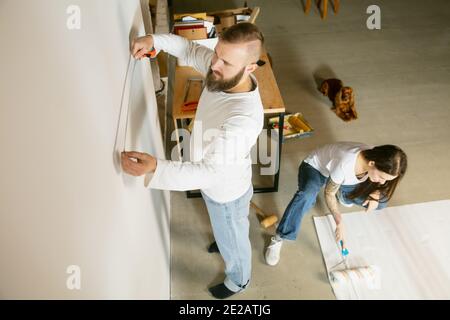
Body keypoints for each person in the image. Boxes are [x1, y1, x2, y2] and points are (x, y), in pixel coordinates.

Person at [121, 23, 265, 299]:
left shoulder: (243, 119)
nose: (214, 65)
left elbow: (209, 173)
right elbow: (187, 49)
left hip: (225, 192)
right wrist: (154, 40)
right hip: (226, 180)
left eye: (225, 61)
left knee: (234, 238)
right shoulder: (223, 74)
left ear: (250, 68)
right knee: (231, 226)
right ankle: (225, 239)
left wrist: (156, 168)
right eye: (216, 54)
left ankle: (240, 279)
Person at [265, 142, 407, 266]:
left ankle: (345, 195)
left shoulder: (377, 158)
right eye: (381, 177)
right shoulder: (345, 163)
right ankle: (280, 237)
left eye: (386, 179)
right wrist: (339, 223)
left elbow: (382, 185)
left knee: (381, 202)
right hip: (316, 169)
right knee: (306, 197)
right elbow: (329, 193)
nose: (383, 182)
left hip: (341, 179)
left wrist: (376, 195)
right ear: (371, 163)